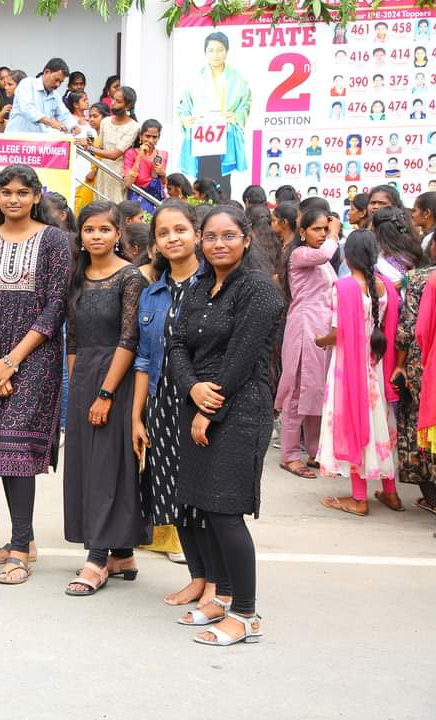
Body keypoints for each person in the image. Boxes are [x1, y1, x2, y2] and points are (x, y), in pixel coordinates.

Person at [168, 205, 283, 645]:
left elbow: (241, 357)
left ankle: (247, 614)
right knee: (204, 506)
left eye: (229, 236)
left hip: (240, 407)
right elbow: (177, 344)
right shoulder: (201, 286)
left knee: (225, 510)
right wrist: (192, 388)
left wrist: (208, 408)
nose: (219, 244)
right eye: (211, 236)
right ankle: (222, 597)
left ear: (246, 240)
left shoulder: (258, 289)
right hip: (198, 401)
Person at [0, 165, 70, 585]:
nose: (14, 199)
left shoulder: (54, 240)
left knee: (20, 451)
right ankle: (22, 539)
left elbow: (56, 306)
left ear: (36, 196)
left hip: (36, 357)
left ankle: (19, 548)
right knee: (4, 452)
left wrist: (11, 361)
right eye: (6, 192)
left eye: (22, 192)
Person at [62, 200, 149, 596]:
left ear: (118, 234)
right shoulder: (77, 278)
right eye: (89, 229)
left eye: (104, 229)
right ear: (80, 235)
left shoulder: (130, 277)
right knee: (88, 466)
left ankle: (96, 560)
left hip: (117, 378)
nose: (96, 236)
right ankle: (122, 555)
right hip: (84, 378)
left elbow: (130, 339)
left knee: (107, 468)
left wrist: (105, 393)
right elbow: (74, 339)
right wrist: (77, 387)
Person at [132, 200, 213, 607]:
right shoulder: (153, 294)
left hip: (200, 403)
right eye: (163, 233)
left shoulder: (215, 286)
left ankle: (217, 581)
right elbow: (144, 360)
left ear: (196, 234)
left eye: (180, 230)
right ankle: (197, 577)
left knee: (206, 496)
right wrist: (137, 416)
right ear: (155, 244)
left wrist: (207, 407)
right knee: (174, 494)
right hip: (161, 404)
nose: (172, 238)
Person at [316, 231, 401, 516]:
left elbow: (337, 333)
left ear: (348, 255)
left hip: (348, 369)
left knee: (352, 423)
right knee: (379, 427)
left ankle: (359, 498)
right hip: (376, 367)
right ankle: (391, 492)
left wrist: (319, 340)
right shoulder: (384, 286)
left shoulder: (344, 287)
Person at [275, 208, 335, 478]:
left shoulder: (321, 259)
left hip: (321, 332)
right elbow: (325, 253)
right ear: (302, 232)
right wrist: (334, 234)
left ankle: (314, 451)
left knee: (317, 391)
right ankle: (289, 455)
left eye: (325, 229)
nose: (322, 234)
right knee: (297, 392)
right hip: (304, 328)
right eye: (317, 229)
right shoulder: (301, 254)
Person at [177, 31, 253, 200]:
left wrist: (236, 116)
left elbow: (245, 105)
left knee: (223, 181)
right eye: (211, 50)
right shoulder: (195, 79)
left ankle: (224, 209)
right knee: (203, 180)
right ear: (205, 52)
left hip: (225, 137)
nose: (215, 55)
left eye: (220, 50)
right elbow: (183, 107)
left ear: (227, 51)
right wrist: (185, 119)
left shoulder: (238, 79)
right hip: (201, 138)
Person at [393, 233, 436, 514]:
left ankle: (432, 495)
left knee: (418, 423)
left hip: (425, 360)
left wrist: (400, 365)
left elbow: (410, 329)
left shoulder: (420, 279)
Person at [90, 86, 141, 203]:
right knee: (99, 207)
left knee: (116, 207)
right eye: (113, 99)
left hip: (118, 175)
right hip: (102, 171)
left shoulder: (134, 127)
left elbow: (115, 155)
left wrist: (90, 148)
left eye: (118, 101)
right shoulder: (105, 121)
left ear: (127, 106)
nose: (112, 103)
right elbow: (100, 147)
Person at [5, 57, 78, 135]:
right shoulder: (27, 83)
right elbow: (27, 109)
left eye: (61, 82)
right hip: (16, 138)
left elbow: (64, 115)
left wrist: (73, 127)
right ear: (46, 72)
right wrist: (51, 122)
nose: (58, 84)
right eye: (56, 79)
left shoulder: (55, 95)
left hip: (38, 140)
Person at [123, 119, 168, 212]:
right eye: (147, 136)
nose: (150, 140)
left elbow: (163, 185)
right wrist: (139, 158)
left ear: (158, 138)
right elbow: (127, 183)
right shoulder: (131, 153)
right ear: (141, 136)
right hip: (137, 201)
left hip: (156, 201)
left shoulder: (162, 155)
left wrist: (163, 174)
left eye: (154, 137)